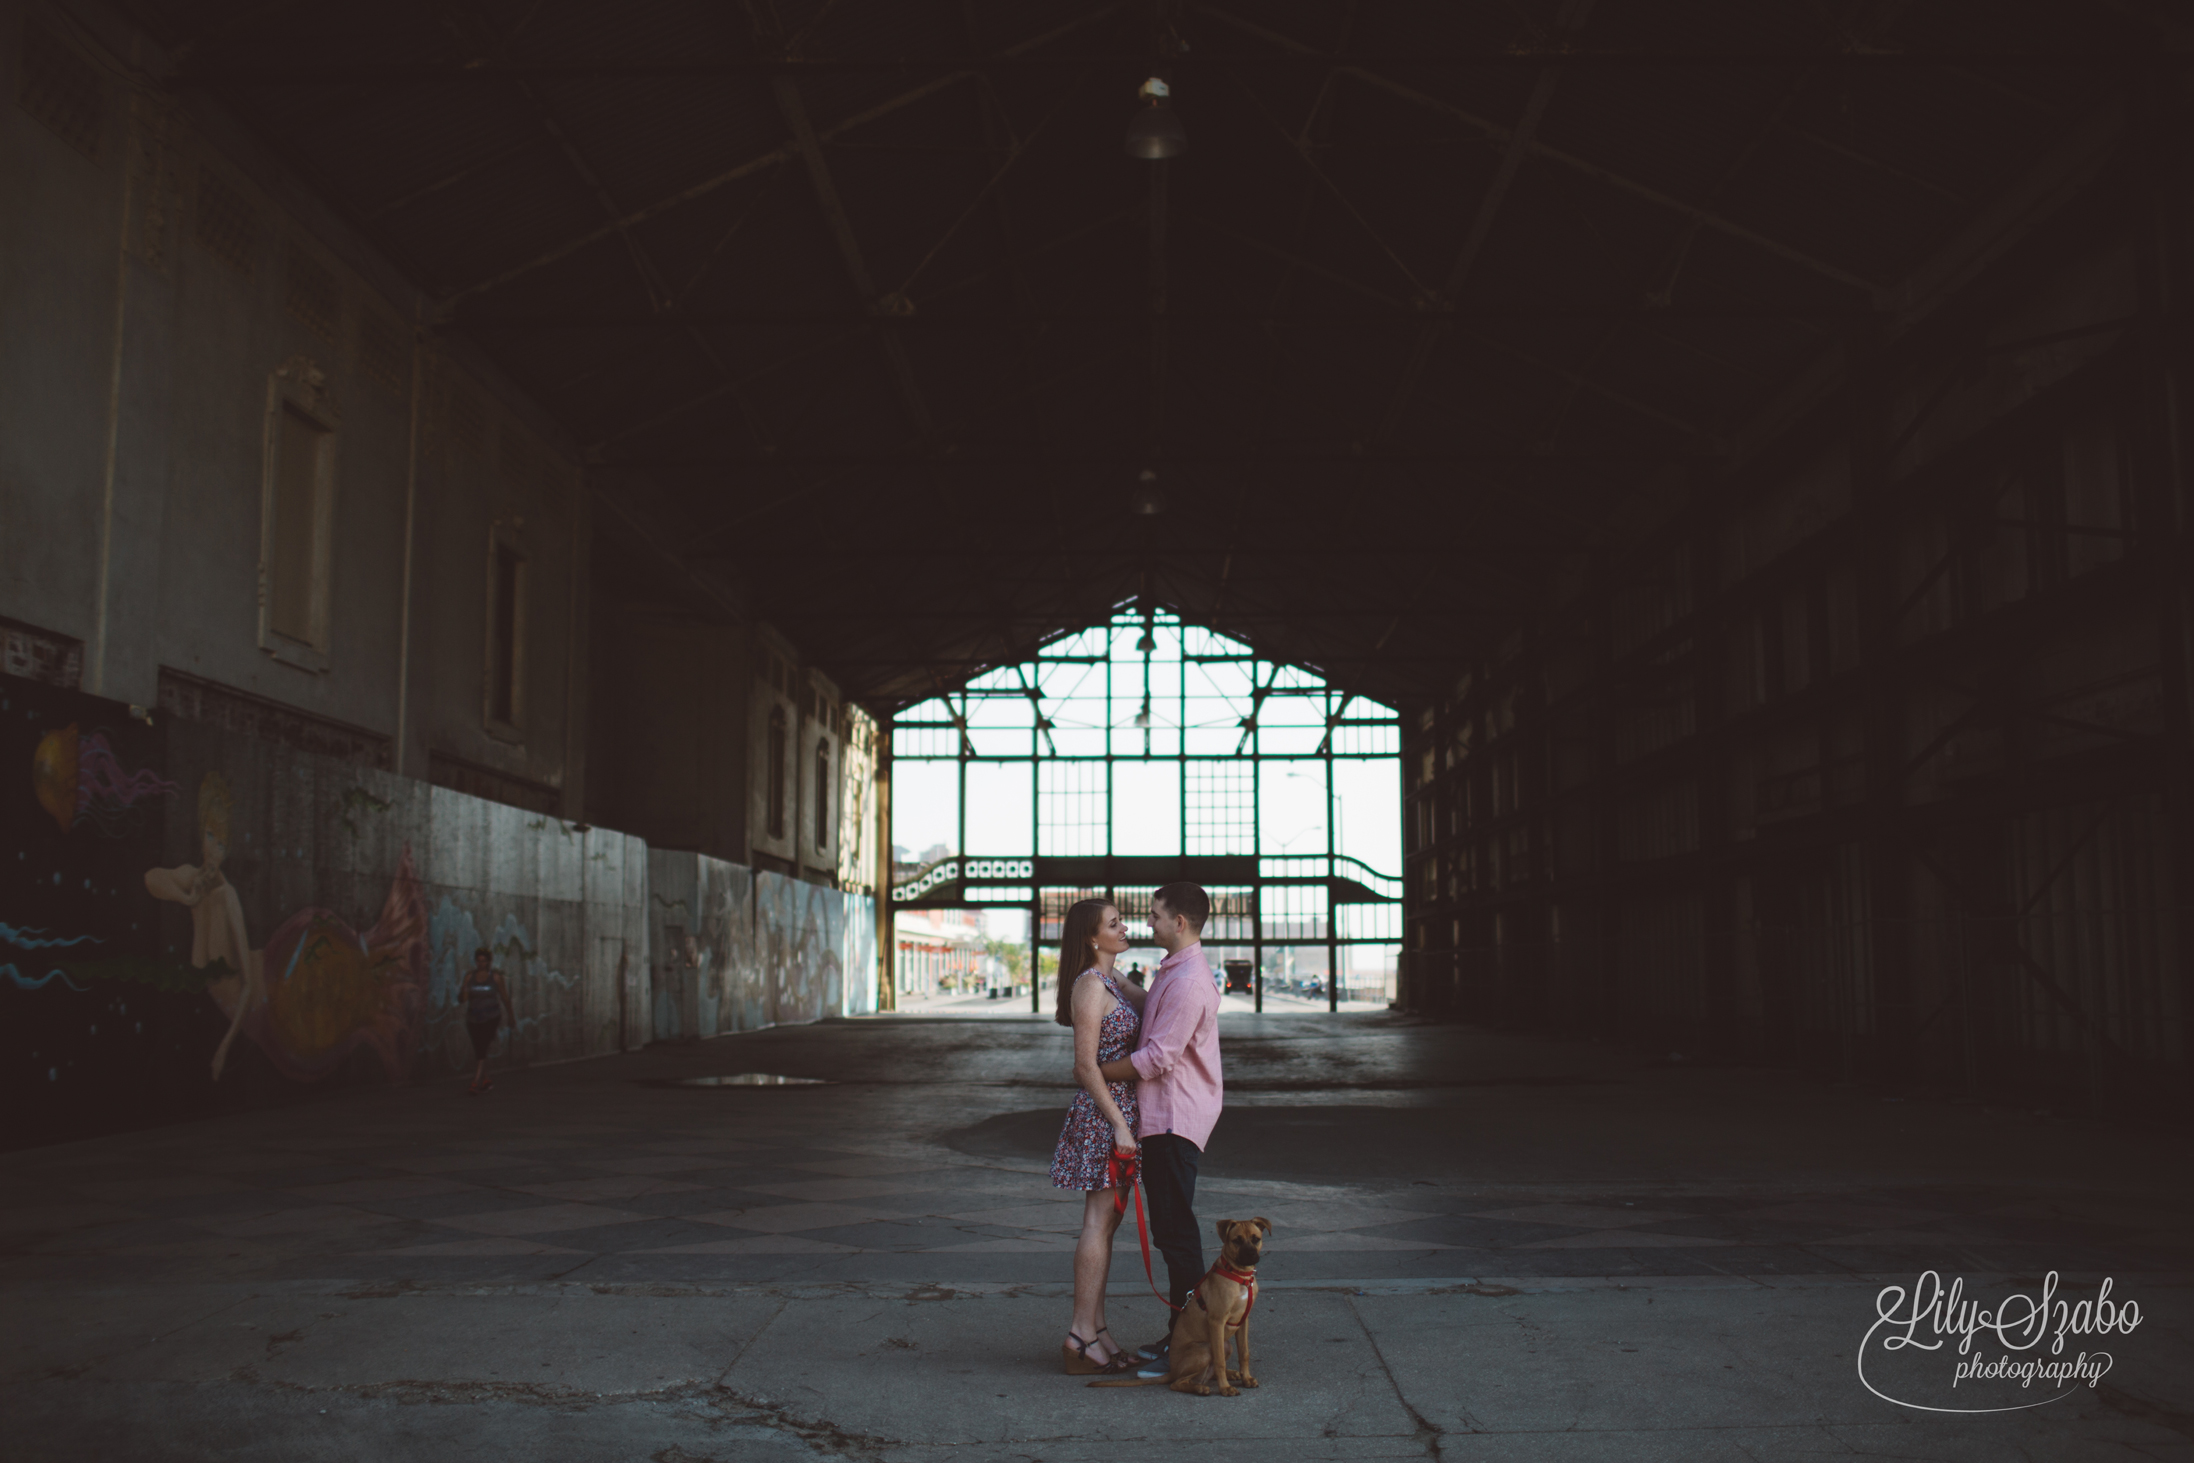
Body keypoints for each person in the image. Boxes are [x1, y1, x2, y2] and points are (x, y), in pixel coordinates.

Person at [1098, 882, 1223, 1377]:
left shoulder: (1191, 980)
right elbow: (1153, 1010)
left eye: (1153, 916)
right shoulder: (1177, 970)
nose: (1146, 923)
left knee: (1177, 1236)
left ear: (1180, 923)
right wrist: (1114, 982)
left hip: (1174, 1119)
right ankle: (1180, 1335)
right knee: (1174, 1234)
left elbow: (1157, 1058)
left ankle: (1191, 1347)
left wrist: (1092, 1070)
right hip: (1165, 1118)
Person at [1047, 899, 1147, 1374]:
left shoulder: (1110, 981)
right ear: (1092, 937)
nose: (1124, 927)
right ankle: (1080, 1335)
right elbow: (1084, 1066)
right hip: (1104, 1117)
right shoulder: (1089, 987)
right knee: (1096, 1221)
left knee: (1107, 1225)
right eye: (1114, 924)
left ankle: (1098, 1332)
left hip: (1115, 1115)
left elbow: (1147, 1001)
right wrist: (1120, 1123)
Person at [463, 947, 514, 1095]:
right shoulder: (469, 977)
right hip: (473, 1018)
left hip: (491, 1017)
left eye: (484, 961)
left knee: (482, 1046)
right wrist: (463, 991)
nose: (481, 964)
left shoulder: (495, 977)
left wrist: (511, 1016)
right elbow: (463, 998)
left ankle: (475, 1082)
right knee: (479, 1049)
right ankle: (486, 1080)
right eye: (478, 961)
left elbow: (504, 997)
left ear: (488, 962)